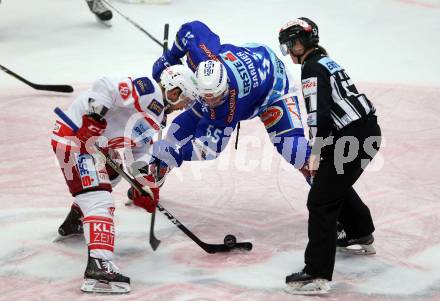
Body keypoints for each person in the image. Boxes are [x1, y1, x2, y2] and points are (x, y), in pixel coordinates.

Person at [51, 65, 198, 293]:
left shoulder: (158, 117)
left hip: (95, 146)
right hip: (74, 139)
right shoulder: (146, 88)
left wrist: (144, 183)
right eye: (185, 100)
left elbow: (137, 152)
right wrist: (93, 118)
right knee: (100, 200)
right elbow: (105, 85)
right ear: (174, 91)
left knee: (112, 173)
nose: (184, 106)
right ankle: (99, 266)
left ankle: (76, 219)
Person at [278, 18, 381, 294]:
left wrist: (315, 155)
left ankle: (316, 274)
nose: (290, 50)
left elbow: (319, 119)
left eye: (291, 44)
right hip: (367, 132)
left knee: (321, 200)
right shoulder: (326, 60)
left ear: (302, 42)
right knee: (331, 184)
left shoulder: (311, 68)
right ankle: (358, 232)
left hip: (352, 138)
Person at [148, 20, 310, 184]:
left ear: (224, 88)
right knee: (187, 122)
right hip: (250, 57)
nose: (210, 103)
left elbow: (210, 149)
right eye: (205, 96)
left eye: (215, 97)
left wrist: (179, 153)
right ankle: (160, 167)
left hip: (274, 87)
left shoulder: (229, 105)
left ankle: (323, 180)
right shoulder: (202, 59)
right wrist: (171, 57)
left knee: (294, 151)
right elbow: (191, 29)